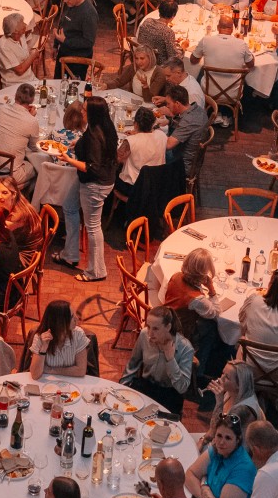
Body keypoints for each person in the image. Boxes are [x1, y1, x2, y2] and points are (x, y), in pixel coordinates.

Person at [62, 97, 118, 282]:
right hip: (97, 180)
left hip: (95, 184)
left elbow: (92, 167)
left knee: (93, 227)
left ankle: (96, 271)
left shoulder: (94, 134)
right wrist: (78, 144)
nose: (82, 112)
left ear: (93, 113)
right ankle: (70, 255)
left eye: (85, 110)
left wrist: (69, 160)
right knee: (69, 206)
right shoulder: (105, 126)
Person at [120, 307, 199, 413]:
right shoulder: (144, 335)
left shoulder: (185, 348)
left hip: (169, 395)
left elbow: (182, 388)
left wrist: (170, 359)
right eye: (148, 327)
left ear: (168, 327)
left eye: (155, 329)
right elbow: (132, 364)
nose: (150, 333)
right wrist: (123, 387)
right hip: (146, 387)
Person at [28, 299, 92, 377]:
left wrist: (49, 370)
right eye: (72, 316)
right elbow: (35, 375)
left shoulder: (78, 334)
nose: (77, 318)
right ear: (59, 322)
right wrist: (43, 348)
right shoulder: (40, 337)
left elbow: (81, 371)